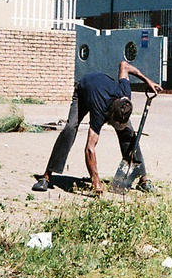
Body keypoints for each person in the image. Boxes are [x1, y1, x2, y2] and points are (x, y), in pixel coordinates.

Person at [33, 61, 163, 195]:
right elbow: (90, 149)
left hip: (102, 88)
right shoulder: (99, 112)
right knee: (70, 128)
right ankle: (46, 176)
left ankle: (143, 180)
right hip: (83, 92)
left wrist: (147, 81)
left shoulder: (124, 95)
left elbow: (124, 65)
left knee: (129, 134)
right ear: (110, 115)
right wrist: (96, 182)